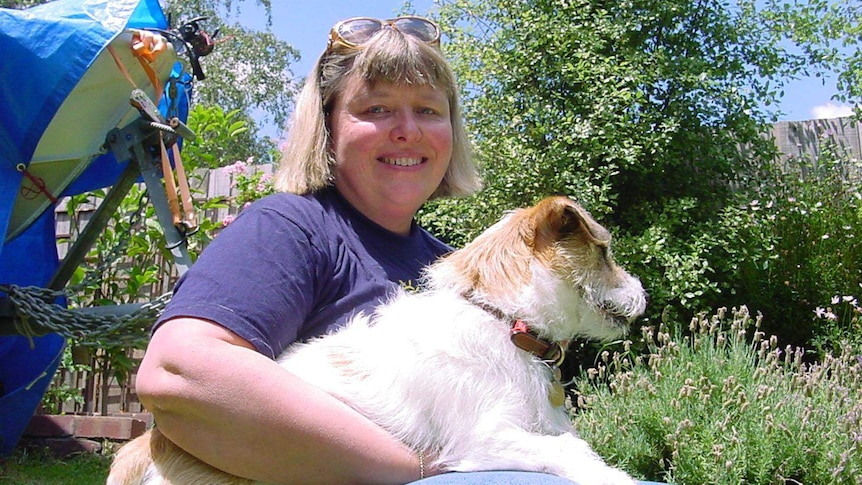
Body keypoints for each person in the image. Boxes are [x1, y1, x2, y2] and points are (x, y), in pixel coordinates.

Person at [136, 16, 646, 485]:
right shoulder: (291, 227)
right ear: (329, 127)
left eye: (428, 109)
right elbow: (178, 372)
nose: (407, 130)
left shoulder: (452, 276)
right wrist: (411, 467)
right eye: (376, 108)